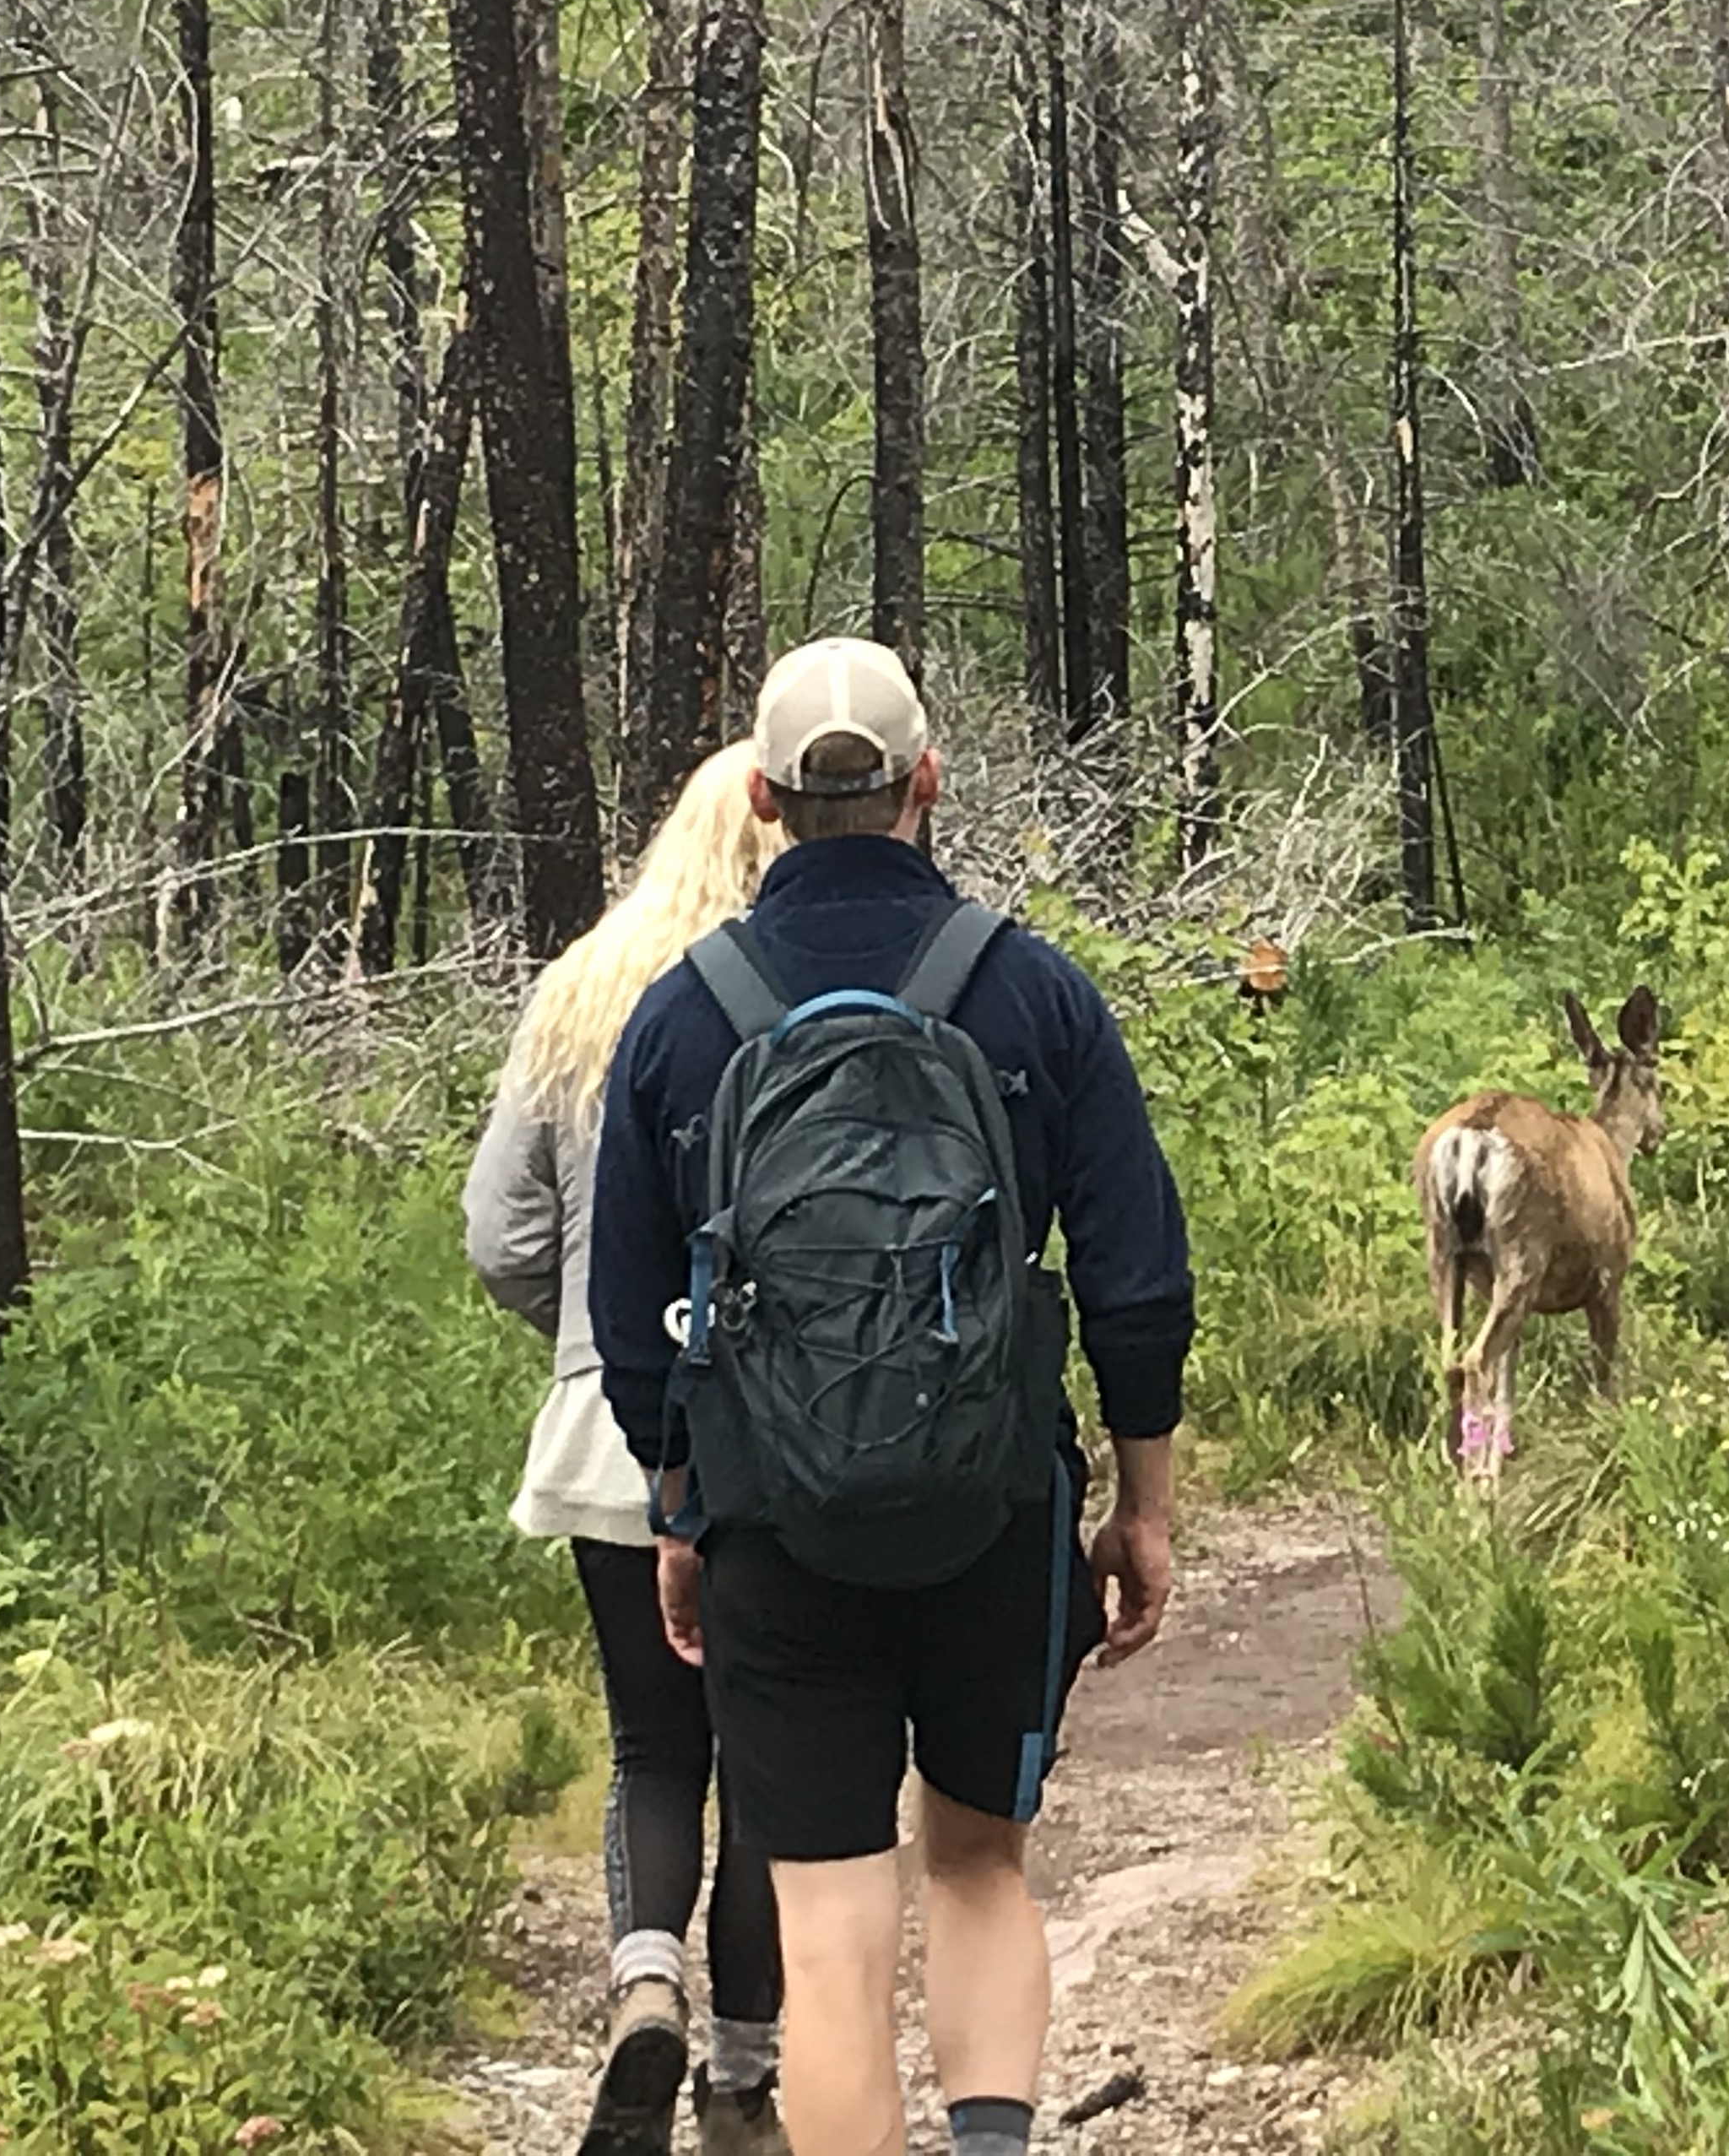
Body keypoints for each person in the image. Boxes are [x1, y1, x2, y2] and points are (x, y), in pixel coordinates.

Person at [590, 641, 1194, 2156]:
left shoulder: (681, 1018)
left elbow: (631, 1323)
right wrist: (1143, 1504)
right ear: (928, 779)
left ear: (761, 797)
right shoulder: (1033, 991)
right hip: (995, 1508)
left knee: (831, 1930)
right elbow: (1134, 1273)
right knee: (979, 1867)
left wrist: (678, 1507)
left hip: (774, 1525)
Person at [464, 741, 791, 2156]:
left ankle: (644, 1981)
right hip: (782, 1434)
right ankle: (744, 2078)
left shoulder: (581, 990)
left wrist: (590, 1337)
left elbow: (501, 1234)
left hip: (610, 1429)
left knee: (653, 1746)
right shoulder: (791, 992)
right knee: (772, 1759)